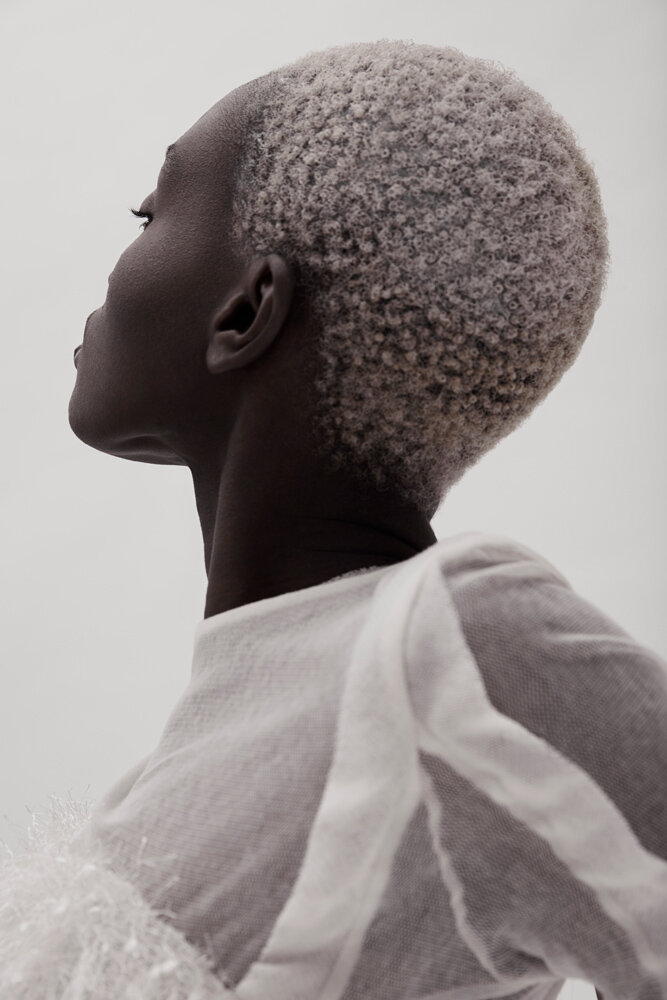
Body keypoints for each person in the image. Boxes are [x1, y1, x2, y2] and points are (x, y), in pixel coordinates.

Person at [9, 39, 666, 1000]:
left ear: (246, 313)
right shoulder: (195, 753)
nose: (114, 261)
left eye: (148, 214)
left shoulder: (449, 649)